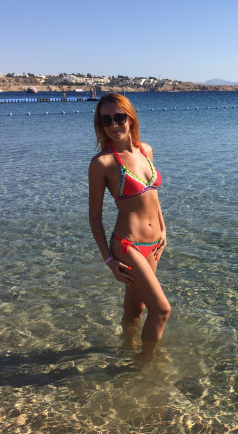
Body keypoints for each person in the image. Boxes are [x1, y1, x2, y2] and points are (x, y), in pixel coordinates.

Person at [89, 93, 170, 359]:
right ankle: (145, 367)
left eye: (119, 117)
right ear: (100, 125)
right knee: (161, 309)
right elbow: (95, 217)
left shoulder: (146, 150)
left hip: (153, 244)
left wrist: (163, 228)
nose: (113, 124)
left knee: (137, 309)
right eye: (106, 120)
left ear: (130, 118)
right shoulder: (102, 163)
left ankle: (126, 348)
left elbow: (153, 197)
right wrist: (109, 260)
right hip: (127, 245)